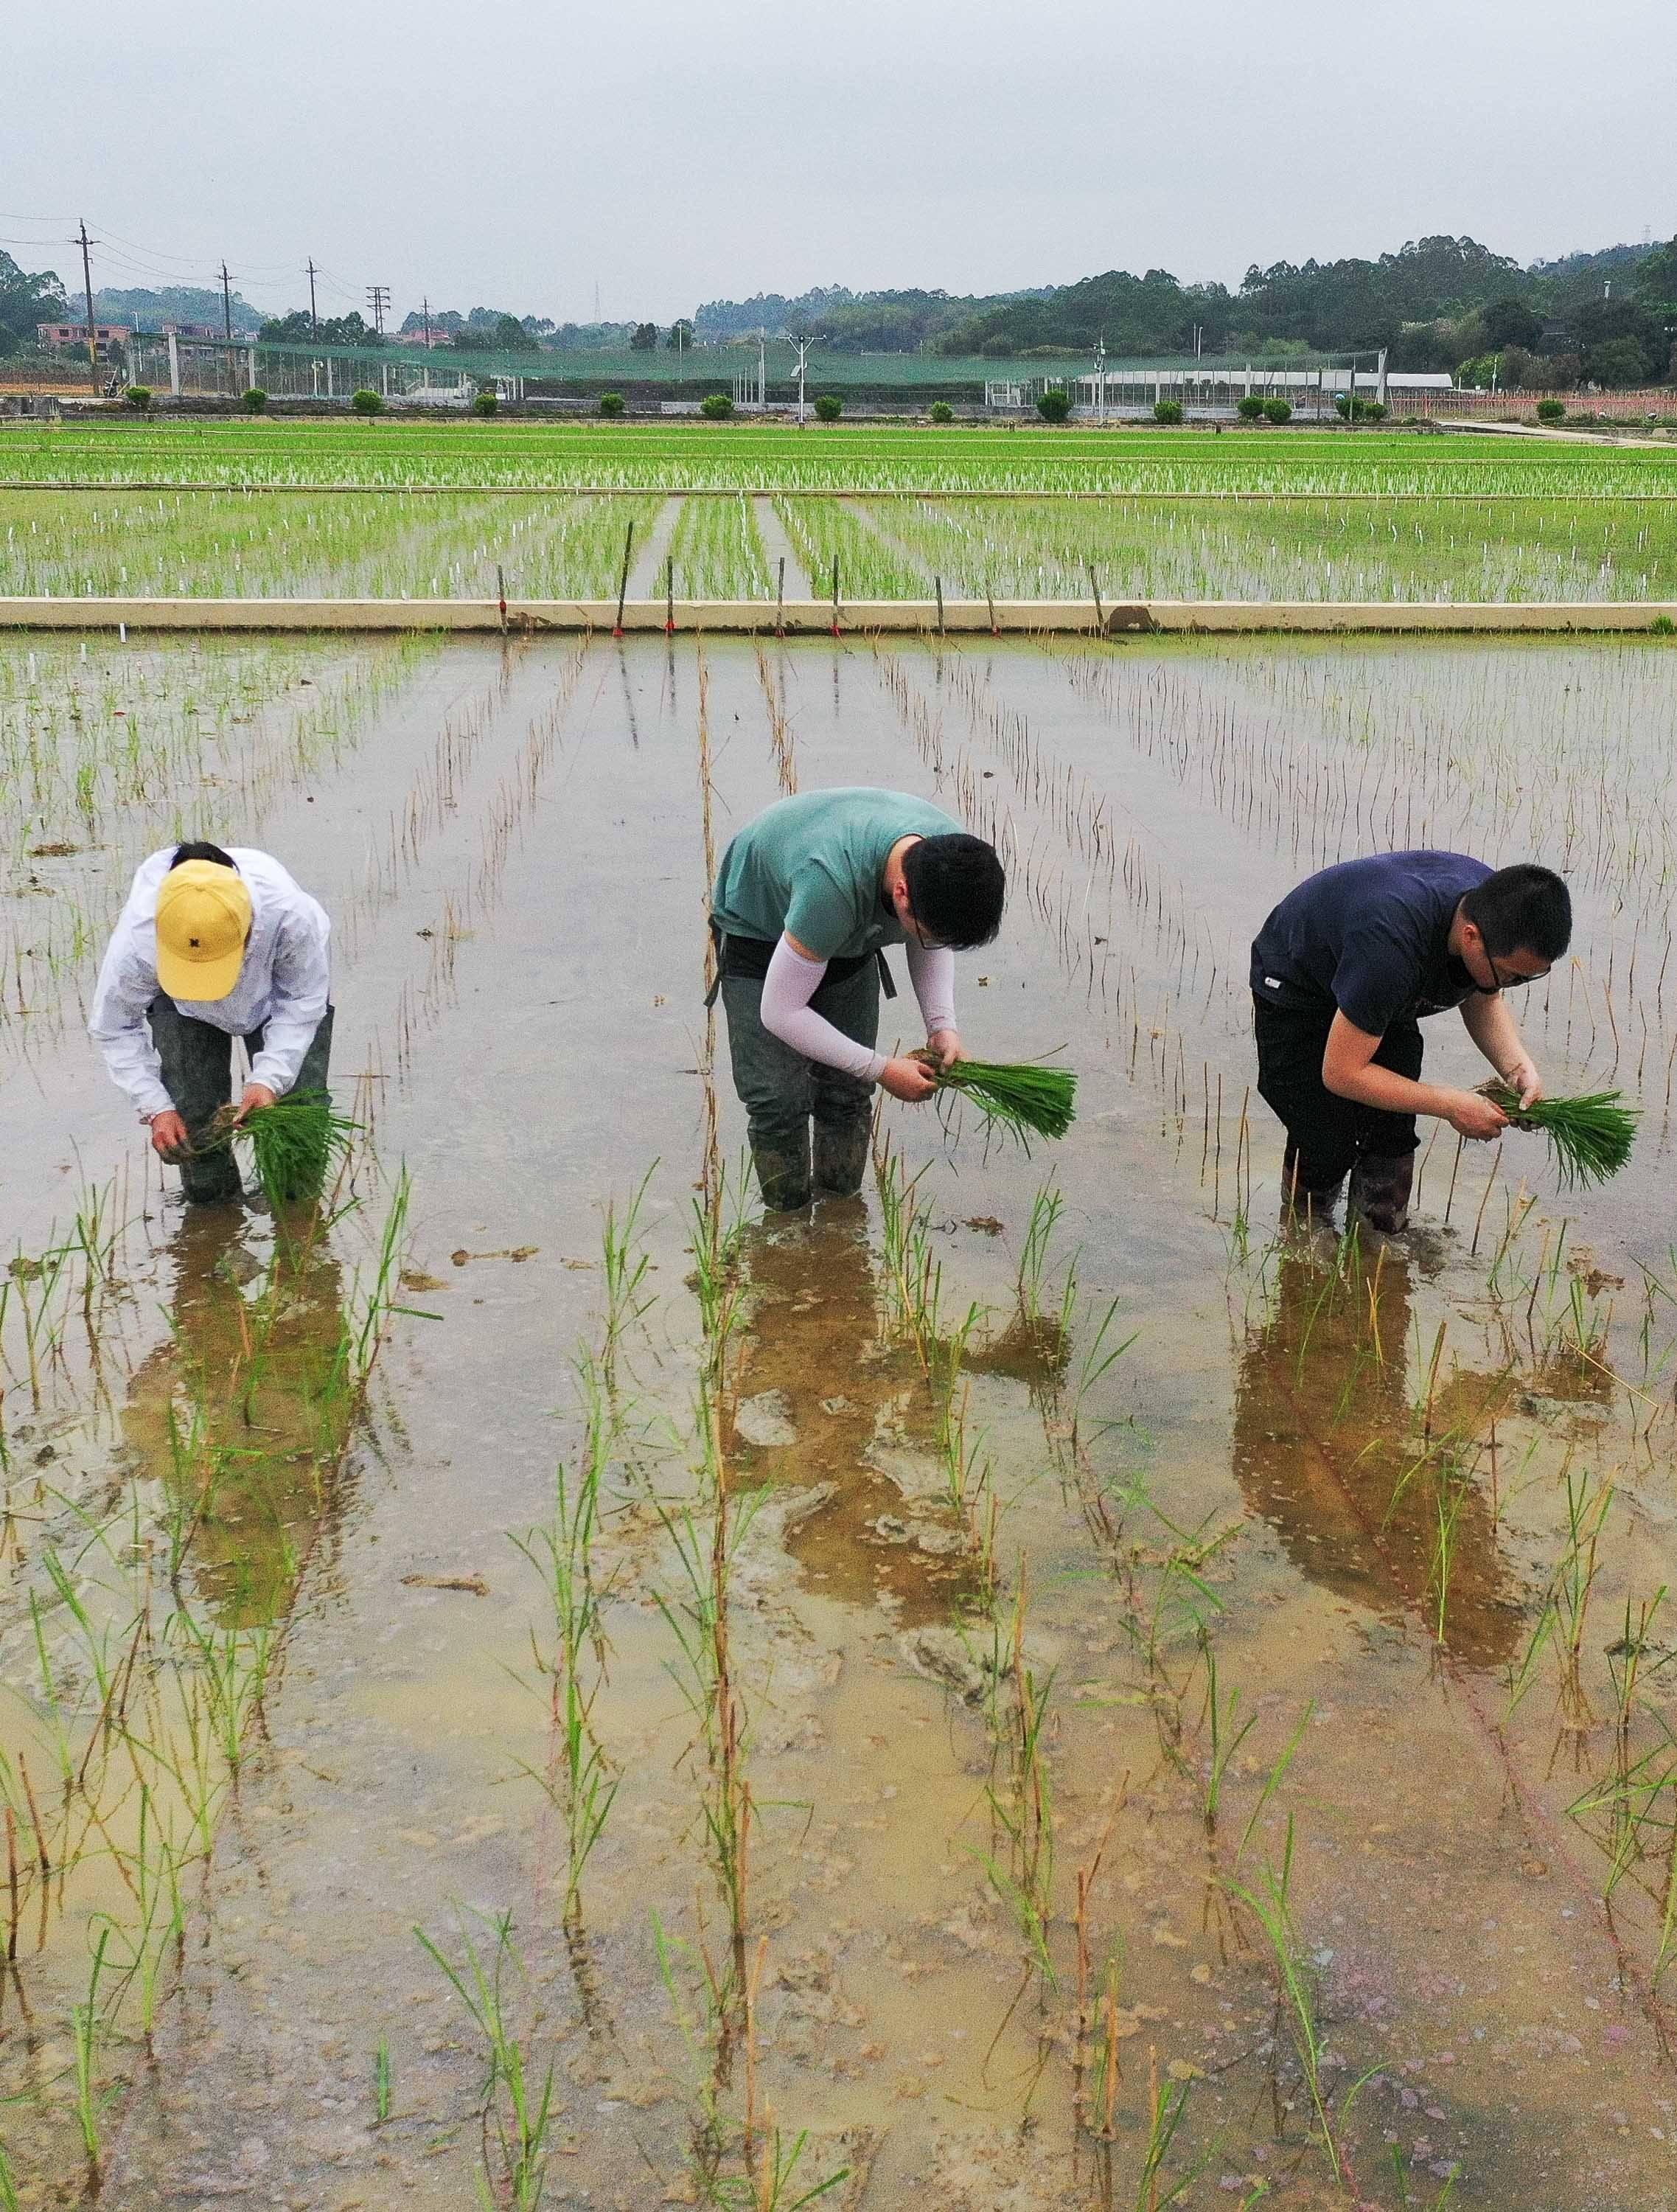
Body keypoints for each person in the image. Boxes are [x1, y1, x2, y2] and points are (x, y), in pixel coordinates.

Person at [709, 788, 1006, 1211]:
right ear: (902, 892)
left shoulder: (950, 861)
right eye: (924, 930)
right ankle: (787, 1227)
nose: (931, 941)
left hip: (845, 928)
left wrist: (942, 1026)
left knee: (847, 1092)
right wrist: (882, 1069)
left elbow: (931, 940)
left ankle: (839, 1220)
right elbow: (780, 1011)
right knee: (777, 1101)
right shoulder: (830, 882)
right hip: (760, 929)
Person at [1250, 852, 1571, 1233]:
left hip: (1376, 985)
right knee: (1325, 1140)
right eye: (1513, 976)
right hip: (1298, 985)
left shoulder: (1494, 914)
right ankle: (1304, 1234)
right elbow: (1342, 1073)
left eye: (1527, 979)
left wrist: (1519, 1069)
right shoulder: (1390, 946)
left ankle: (1378, 1240)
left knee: (1391, 1133)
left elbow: (1483, 995)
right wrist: (1452, 1105)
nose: (1510, 986)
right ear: (1471, 937)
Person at [89, 840, 333, 1205]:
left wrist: (268, 1081)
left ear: (250, 927)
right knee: (194, 1125)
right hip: (180, 1005)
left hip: (276, 997)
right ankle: (214, 1222)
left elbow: (301, 1003)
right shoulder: (139, 941)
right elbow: (114, 1027)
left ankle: (298, 1217)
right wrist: (157, 1107)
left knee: (297, 1119)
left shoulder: (289, 918)